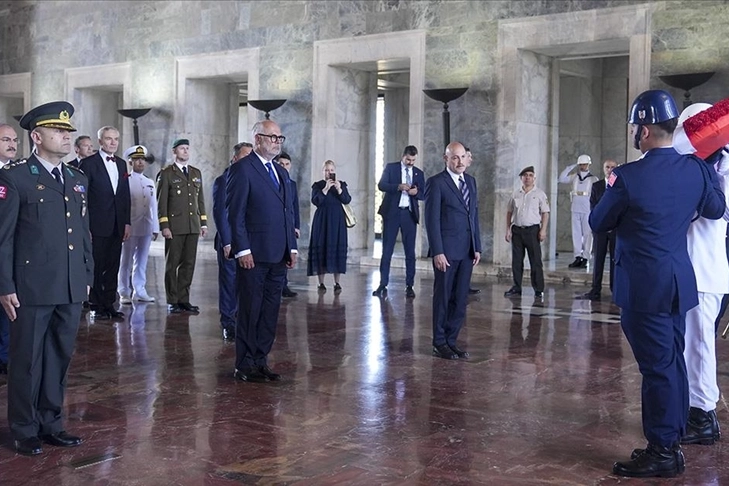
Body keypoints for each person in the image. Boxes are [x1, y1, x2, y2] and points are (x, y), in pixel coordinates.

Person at [589, 89, 726, 478]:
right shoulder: (696, 170)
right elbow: (716, 208)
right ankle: (675, 434)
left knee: (657, 369)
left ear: (645, 130)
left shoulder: (628, 177)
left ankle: (663, 449)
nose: (634, 133)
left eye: (634, 127)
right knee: (673, 360)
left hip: (644, 288)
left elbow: (598, 222)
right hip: (679, 282)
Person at [0, 101, 93, 456]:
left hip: (69, 284)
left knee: (59, 357)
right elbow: (4, 238)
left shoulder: (77, 179)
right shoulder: (16, 177)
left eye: (68, 131)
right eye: (58, 130)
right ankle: (24, 428)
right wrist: (5, 285)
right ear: (37, 137)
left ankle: (51, 423)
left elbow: (82, 232)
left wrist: (86, 273)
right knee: (27, 360)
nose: (66, 136)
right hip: (31, 287)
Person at [225, 120, 297, 383]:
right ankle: (244, 364)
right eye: (272, 137)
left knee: (269, 311)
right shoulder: (242, 169)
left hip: (278, 254)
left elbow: (288, 213)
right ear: (257, 139)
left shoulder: (281, 173)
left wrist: (292, 246)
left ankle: (260, 360)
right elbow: (236, 214)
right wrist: (242, 250)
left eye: (280, 138)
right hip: (253, 255)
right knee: (250, 309)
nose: (277, 142)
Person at [674, 103, 729, 446]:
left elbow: (716, 211)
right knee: (689, 345)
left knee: (699, 345)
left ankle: (704, 414)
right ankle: (694, 406)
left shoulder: (722, 169)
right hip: (689, 269)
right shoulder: (695, 166)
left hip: (706, 271)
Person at [424, 142, 481, 360]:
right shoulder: (436, 183)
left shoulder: (471, 182)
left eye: (462, 157)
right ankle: (439, 342)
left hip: (467, 251)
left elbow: (473, 216)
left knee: (460, 298)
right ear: (446, 158)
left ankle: (451, 340)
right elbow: (432, 221)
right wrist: (437, 251)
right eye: (454, 157)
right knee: (443, 297)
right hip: (446, 252)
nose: (459, 161)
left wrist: (477, 246)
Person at [79, 126, 131, 321]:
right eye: (109, 139)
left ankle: (109, 304)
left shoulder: (122, 164)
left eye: (116, 139)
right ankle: (96, 305)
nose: (113, 142)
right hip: (97, 225)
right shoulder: (88, 164)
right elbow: (82, 197)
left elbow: (124, 195)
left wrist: (127, 222)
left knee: (113, 265)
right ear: (100, 141)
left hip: (117, 224)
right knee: (97, 265)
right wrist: (85, 226)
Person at [156, 138, 207, 314]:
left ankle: (183, 299)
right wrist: (164, 225)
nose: (185, 151)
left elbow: (200, 200)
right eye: (182, 148)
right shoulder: (167, 173)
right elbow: (161, 202)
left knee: (189, 263)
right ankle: (172, 300)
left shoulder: (195, 173)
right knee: (172, 265)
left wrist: (203, 223)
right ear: (174, 152)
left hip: (192, 226)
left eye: (187, 148)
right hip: (175, 226)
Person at [372, 145, 425, 298]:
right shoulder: (391, 168)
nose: (410, 163)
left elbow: (423, 194)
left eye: (413, 160)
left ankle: (409, 285)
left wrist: (416, 192)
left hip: (409, 214)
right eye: (408, 160)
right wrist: (398, 187)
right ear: (403, 156)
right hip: (392, 214)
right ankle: (383, 283)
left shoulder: (418, 173)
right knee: (387, 250)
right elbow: (381, 185)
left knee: (410, 252)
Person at [213, 141, 252, 341]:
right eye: (246, 156)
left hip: (248, 242)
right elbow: (221, 213)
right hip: (229, 242)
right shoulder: (223, 180)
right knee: (229, 282)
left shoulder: (252, 178)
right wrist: (227, 242)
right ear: (235, 158)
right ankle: (227, 322)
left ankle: (241, 319)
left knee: (245, 284)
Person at [117, 145, 158, 304]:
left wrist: (155, 227)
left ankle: (140, 290)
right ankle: (123, 291)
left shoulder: (149, 182)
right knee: (125, 261)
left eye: (142, 159)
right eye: (136, 159)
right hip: (131, 226)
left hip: (146, 226)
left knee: (142, 261)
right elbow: (123, 205)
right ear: (130, 162)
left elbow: (153, 206)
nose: (140, 162)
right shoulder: (125, 180)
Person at [504, 166, 550, 299]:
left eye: (530, 175)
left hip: (532, 231)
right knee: (517, 261)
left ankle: (538, 289)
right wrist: (508, 229)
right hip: (517, 230)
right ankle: (516, 287)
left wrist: (543, 230)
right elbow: (509, 211)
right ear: (521, 178)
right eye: (525, 176)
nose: (527, 178)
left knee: (535, 261)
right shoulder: (516, 193)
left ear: (534, 178)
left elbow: (545, 213)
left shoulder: (540, 194)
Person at [307, 159, 351, 293]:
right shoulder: (317, 186)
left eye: (331, 170)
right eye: (326, 170)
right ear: (323, 171)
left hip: (337, 221)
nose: (329, 173)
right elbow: (316, 201)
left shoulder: (341, 184)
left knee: (337, 249)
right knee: (321, 247)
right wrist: (325, 189)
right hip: (322, 220)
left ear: (335, 171)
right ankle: (321, 283)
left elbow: (347, 199)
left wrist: (339, 189)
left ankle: (337, 283)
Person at [576, 159, 618, 301]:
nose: (610, 170)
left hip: (615, 229)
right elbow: (594, 206)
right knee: (598, 259)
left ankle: (615, 289)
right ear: (603, 168)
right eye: (607, 167)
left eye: (613, 167)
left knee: (615, 260)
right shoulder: (597, 186)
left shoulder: (620, 184)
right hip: (600, 229)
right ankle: (595, 289)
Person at [0, 123, 19, 375]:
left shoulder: (19, 173)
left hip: (11, 252)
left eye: (14, 140)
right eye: (5, 140)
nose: (12, 144)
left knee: (7, 308)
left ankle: (4, 357)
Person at [559, 154, 598, 268]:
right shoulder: (575, 177)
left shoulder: (593, 179)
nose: (582, 166)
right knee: (576, 233)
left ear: (589, 165)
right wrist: (570, 167)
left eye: (584, 164)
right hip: (575, 207)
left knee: (587, 234)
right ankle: (577, 256)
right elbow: (561, 178)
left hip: (587, 208)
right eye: (581, 164)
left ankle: (586, 257)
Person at [276, 151, 300, 297]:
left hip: (288, 225)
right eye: (281, 164)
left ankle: (284, 285)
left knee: (288, 255)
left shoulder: (292, 184)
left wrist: (296, 226)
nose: (284, 167)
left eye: (287, 164)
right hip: (276, 225)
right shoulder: (271, 182)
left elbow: (294, 207)